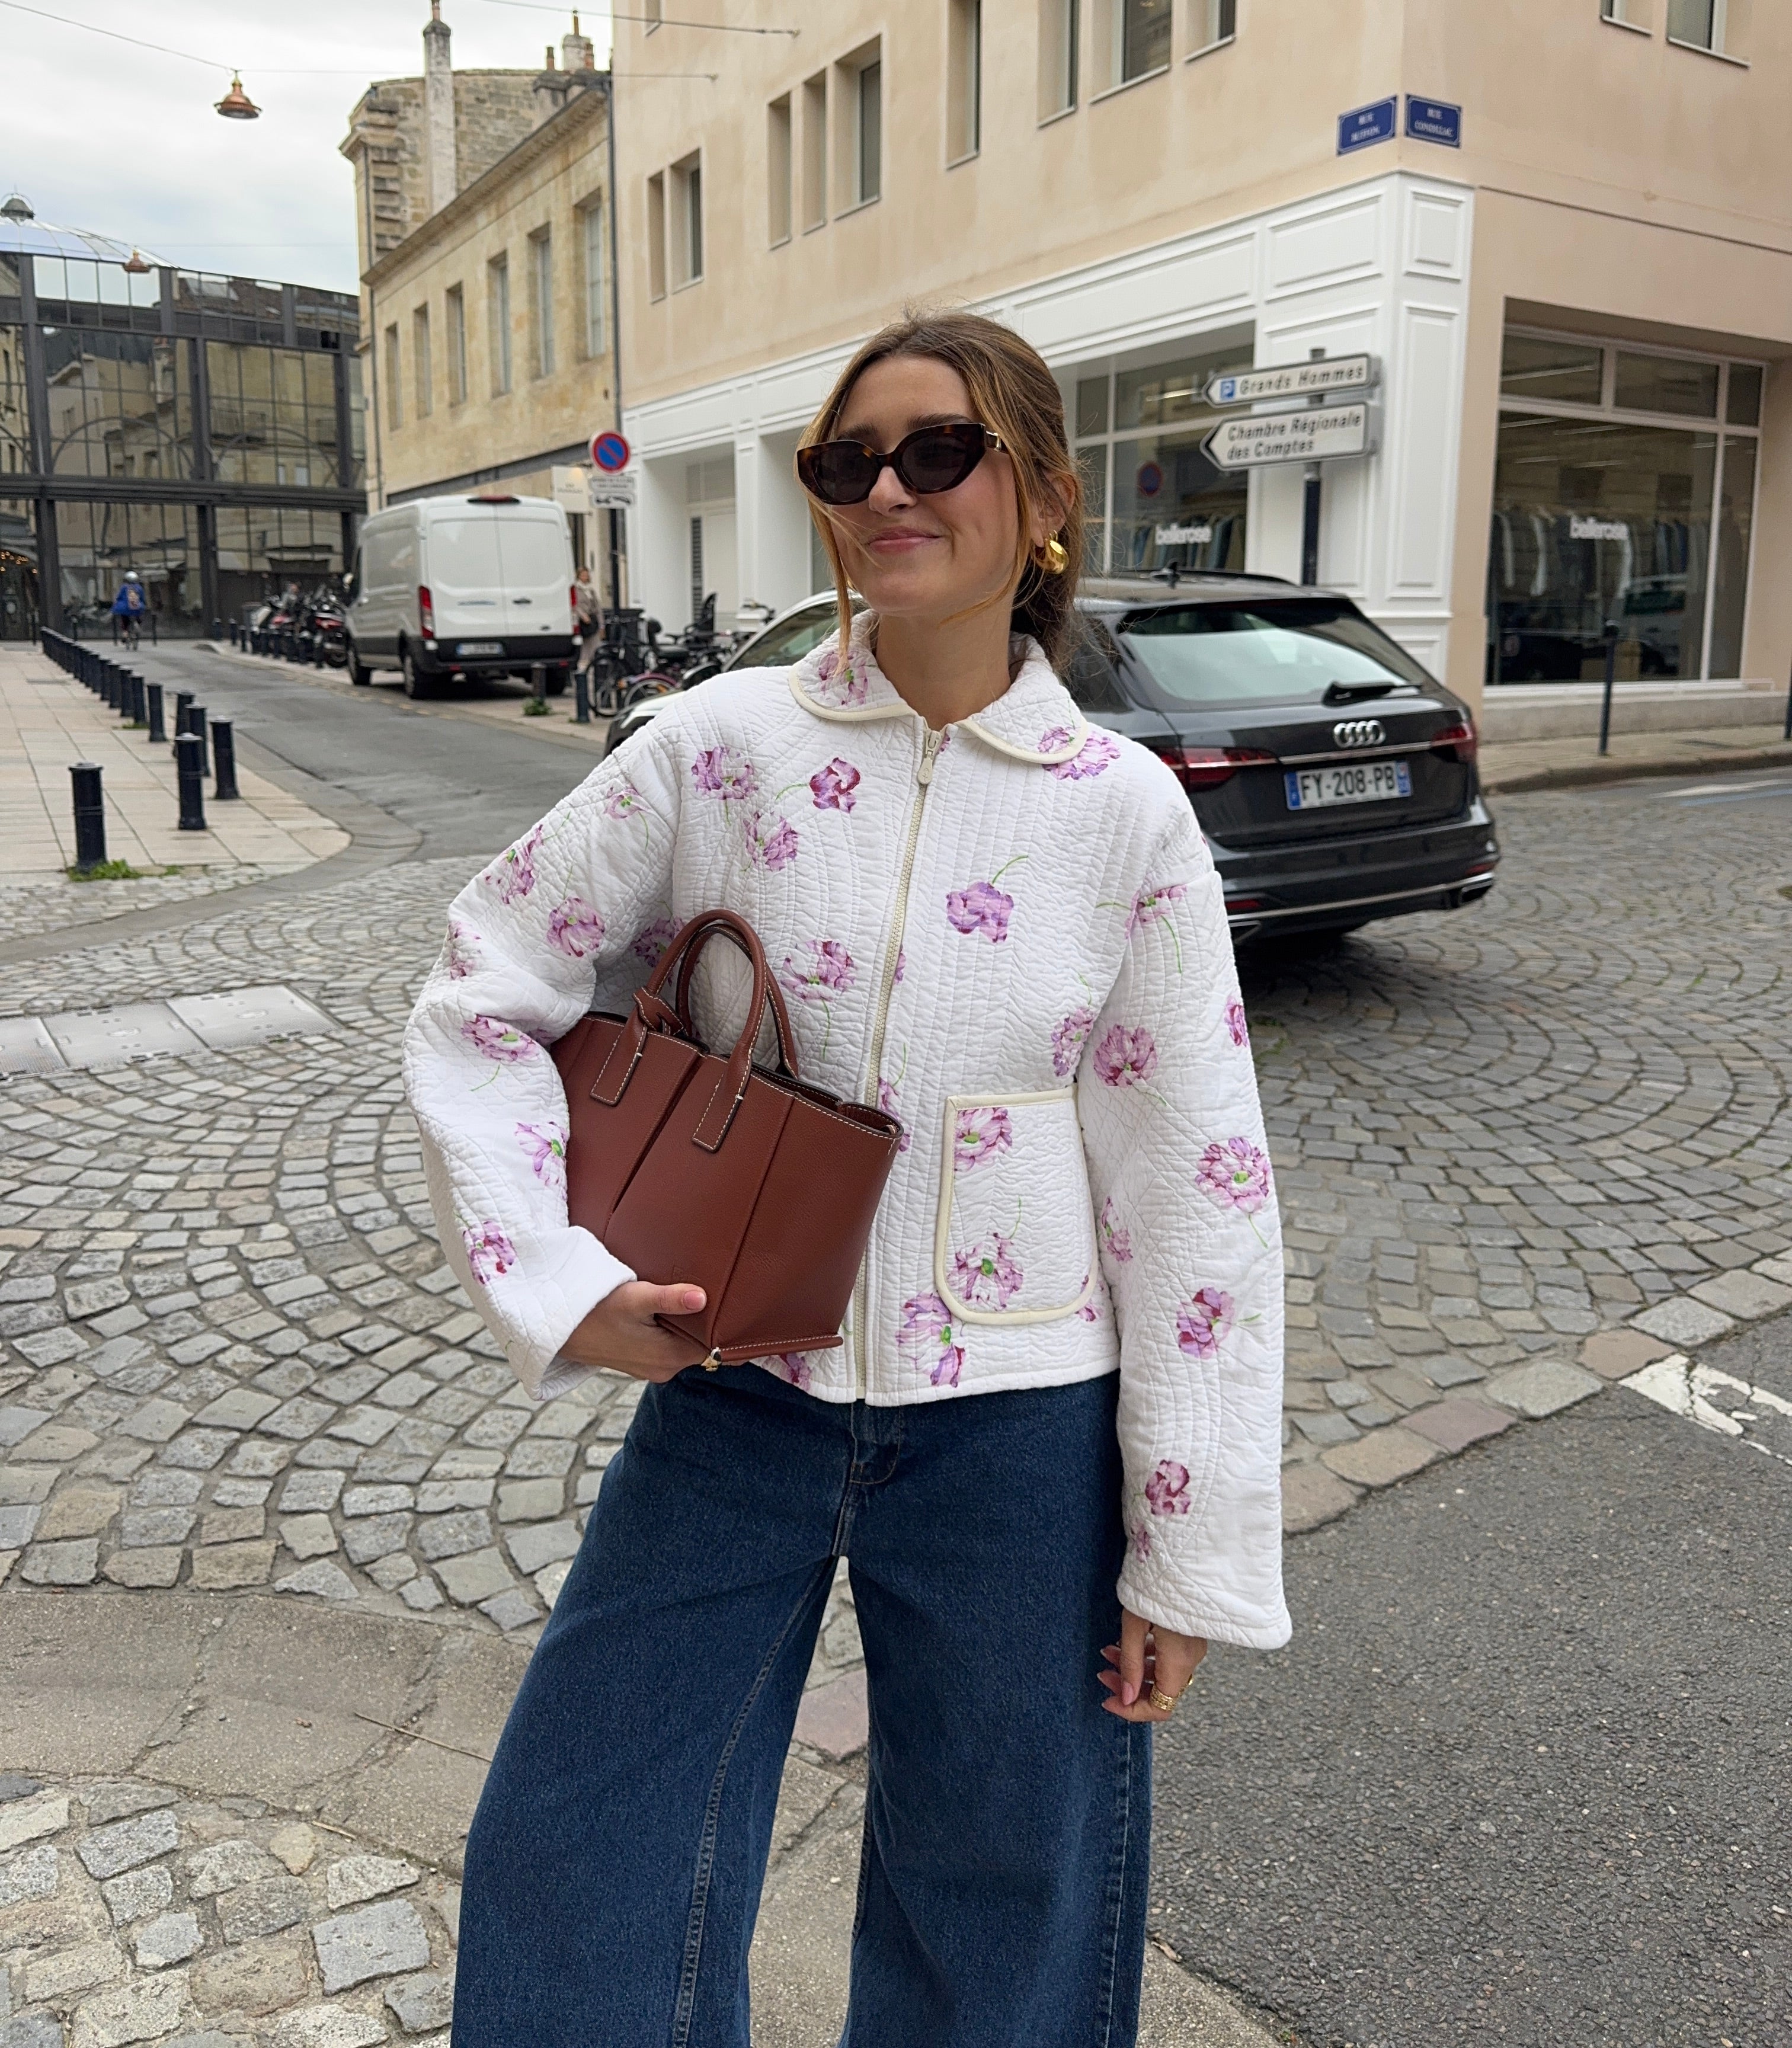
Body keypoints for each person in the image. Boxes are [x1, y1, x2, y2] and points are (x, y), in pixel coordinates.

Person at [404, 309, 1289, 2047]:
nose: (890, 486)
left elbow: (1195, 1183)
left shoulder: (1125, 816)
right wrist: (564, 1284)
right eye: (849, 459)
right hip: (739, 1389)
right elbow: (480, 993)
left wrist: (1185, 1546)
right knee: (577, 1846)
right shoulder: (717, 745)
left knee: (1003, 1897)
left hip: (1025, 1432)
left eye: (938, 449)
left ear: (1039, 496)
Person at [572, 562, 603, 674]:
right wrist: (582, 615)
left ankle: (594, 667)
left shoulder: (591, 590)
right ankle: (583, 668)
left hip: (592, 620)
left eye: (587, 575)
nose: (585, 577)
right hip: (582, 621)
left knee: (595, 645)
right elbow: (574, 605)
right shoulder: (576, 589)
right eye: (583, 575)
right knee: (585, 645)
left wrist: (601, 623)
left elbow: (597, 607)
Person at [111, 570, 146, 649]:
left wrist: (116, 605)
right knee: (138, 618)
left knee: (125, 621)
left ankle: (125, 633)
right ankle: (137, 625)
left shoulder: (124, 587)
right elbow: (142, 598)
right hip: (137, 608)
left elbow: (119, 597)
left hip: (125, 608)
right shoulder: (139, 588)